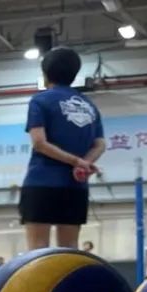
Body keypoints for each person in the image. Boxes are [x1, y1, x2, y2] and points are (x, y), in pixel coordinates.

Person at [20, 47, 106, 250]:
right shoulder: (89, 106)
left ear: (45, 73)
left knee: (38, 250)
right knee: (69, 249)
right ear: (74, 74)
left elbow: (39, 143)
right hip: (75, 186)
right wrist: (84, 163)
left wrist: (76, 161)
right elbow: (100, 144)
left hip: (42, 182)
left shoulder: (40, 101)